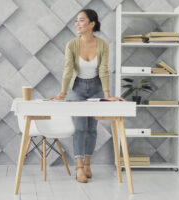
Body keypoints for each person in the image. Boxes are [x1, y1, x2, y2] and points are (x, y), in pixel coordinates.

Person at [48, 9, 125, 183]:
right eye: (76, 21)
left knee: (92, 128)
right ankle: (79, 167)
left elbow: (104, 70)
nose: (77, 24)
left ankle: (88, 164)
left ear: (92, 24)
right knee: (80, 128)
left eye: (81, 20)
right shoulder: (72, 44)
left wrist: (107, 96)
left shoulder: (103, 45)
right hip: (78, 88)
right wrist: (62, 93)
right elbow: (68, 70)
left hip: (97, 87)